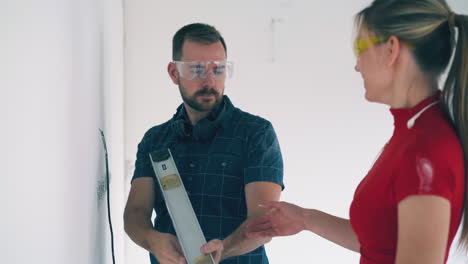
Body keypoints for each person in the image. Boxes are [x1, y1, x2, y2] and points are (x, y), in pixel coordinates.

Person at [246, 0, 468, 263]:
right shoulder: (413, 132)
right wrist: (306, 218)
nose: (357, 65)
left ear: (391, 49)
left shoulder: (427, 152)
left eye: (360, 47)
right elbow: (382, 240)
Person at [124, 23, 284, 264]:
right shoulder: (154, 140)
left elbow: (263, 220)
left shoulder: (256, 133)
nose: (209, 81)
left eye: (218, 69)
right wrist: (151, 239)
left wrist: (224, 248)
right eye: (197, 69)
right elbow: (135, 212)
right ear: (173, 73)